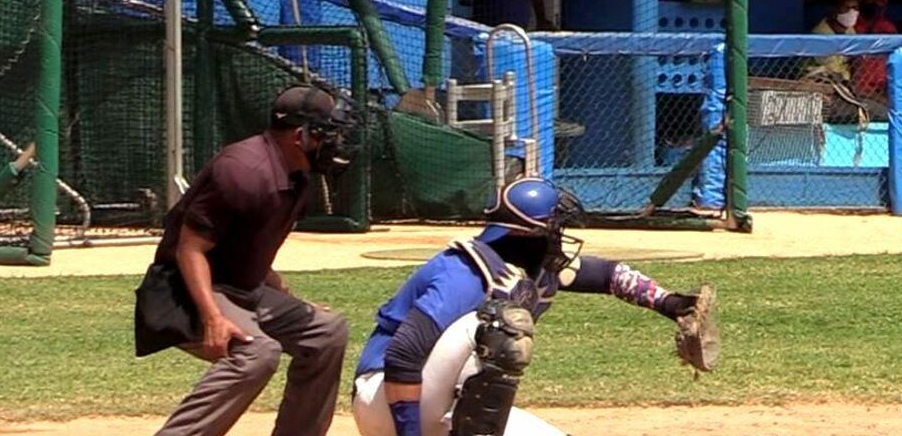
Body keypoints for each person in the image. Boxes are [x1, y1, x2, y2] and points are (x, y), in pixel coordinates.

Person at [352, 178, 717, 436]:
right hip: (387, 402)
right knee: (500, 327)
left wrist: (671, 304)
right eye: (553, 229)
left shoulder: (530, 267)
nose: (559, 237)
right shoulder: (463, 276)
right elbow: (402, 355)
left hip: (440, 407)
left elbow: (607, 275)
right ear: (522, 235)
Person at [135, 85, 355, 436]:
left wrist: (290, 300)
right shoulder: (243, 171)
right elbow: (189, 249)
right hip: (182, 291)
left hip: (242, 288)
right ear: (301, 135)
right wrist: (213, 318)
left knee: (327, 331)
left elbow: (252, 248)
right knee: (257, 353)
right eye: (327, 134)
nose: (335, 144)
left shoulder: (296, 175)